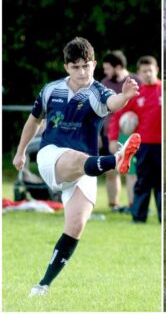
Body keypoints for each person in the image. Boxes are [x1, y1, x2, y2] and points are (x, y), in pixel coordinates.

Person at [12, 37, 141, 297]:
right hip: (52, 157)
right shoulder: (51, 90)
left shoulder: (97, 91)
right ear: (66, 67)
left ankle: (42, 285)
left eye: (86, 66)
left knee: (75, 227)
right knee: (74, 158)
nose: (82, 72)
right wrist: (21, 151)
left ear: (93, 64)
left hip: (85, 166)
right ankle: (114, 160)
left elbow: (112, 103)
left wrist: (125, 96)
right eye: (76, 67)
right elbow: (34, 120)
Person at [108, 56, 162, 223]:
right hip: (144, 145)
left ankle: (163, 217)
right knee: (143, 181)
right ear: (138, 73)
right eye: (144, 71)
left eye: (150, 70)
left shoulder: (162, 90)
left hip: (161, 145)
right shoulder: (137, 93)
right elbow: (117, 116)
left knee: (160, 183)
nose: (147, 73)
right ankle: (138, 217)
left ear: (157, 70)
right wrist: (112, 138)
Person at [100, 50, 139, 212]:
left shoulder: (135, 81)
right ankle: (113, 205)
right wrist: (99, 134)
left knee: (132, 171)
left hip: (131, 135)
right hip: (108, 133)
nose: (105, 72)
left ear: (118, 67)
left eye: (108, 68)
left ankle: (133, 205)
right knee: (110, 170)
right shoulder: (104, 83)